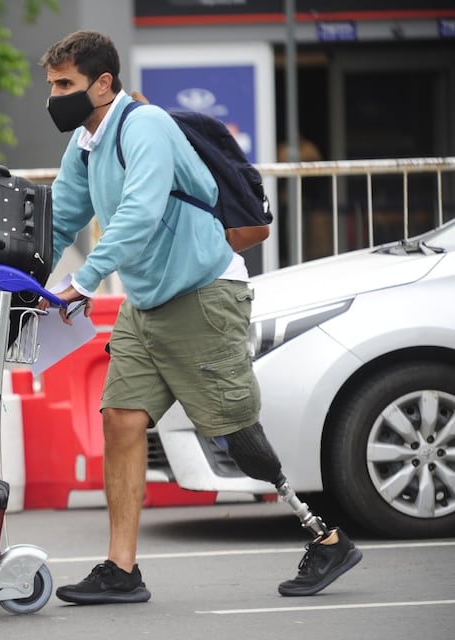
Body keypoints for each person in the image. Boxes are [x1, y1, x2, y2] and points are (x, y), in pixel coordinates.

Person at [38, 30, 362, 604]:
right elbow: (62, 218)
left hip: (205, 296)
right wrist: (17, 269)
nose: (54, 96)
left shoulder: (146, 127)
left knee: (237, 436)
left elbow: (138, 215)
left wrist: (82, 283)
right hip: (147, 304)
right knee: (121, 419)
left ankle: (326, 536)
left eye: (66, 84)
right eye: (51, 85)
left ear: (104, 83)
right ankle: (121, 570)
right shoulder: (85, 143)